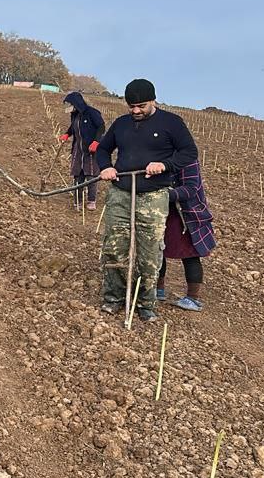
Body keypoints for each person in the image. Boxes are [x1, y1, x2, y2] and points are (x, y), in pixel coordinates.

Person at [95, 78, 197, 323]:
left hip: (153, 197)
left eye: (141, 106)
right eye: (131, 106)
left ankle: (145, 303)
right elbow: (103, 149)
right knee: (114, 248)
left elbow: (189, 152)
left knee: (150, 253)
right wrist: (106, 167)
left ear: (153, 100)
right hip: (121, 193)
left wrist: (165, 165)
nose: (136, 111)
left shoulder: (172, 123)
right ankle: (114, 298)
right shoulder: (121, 124)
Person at [157, 161, 215, 310]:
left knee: (190, 255)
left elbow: (190, 189)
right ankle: (158, 289)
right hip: (163, 211)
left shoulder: (187, 159)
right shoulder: (163, 153)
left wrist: (160, 194)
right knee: (157, 250)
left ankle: (192, 298)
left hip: (186, 214)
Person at [59, 91, 105, 210]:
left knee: (91, 176)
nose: (69, 107)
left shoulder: (92, 112)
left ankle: (91, 201)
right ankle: (78, 202)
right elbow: (73, 127)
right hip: (78, 150)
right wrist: (67, 134)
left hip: (91, 150)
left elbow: (101, 126)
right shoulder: (75, 115)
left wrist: (96, 141)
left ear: (76, 103)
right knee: (78, 176)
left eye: (70, 104)